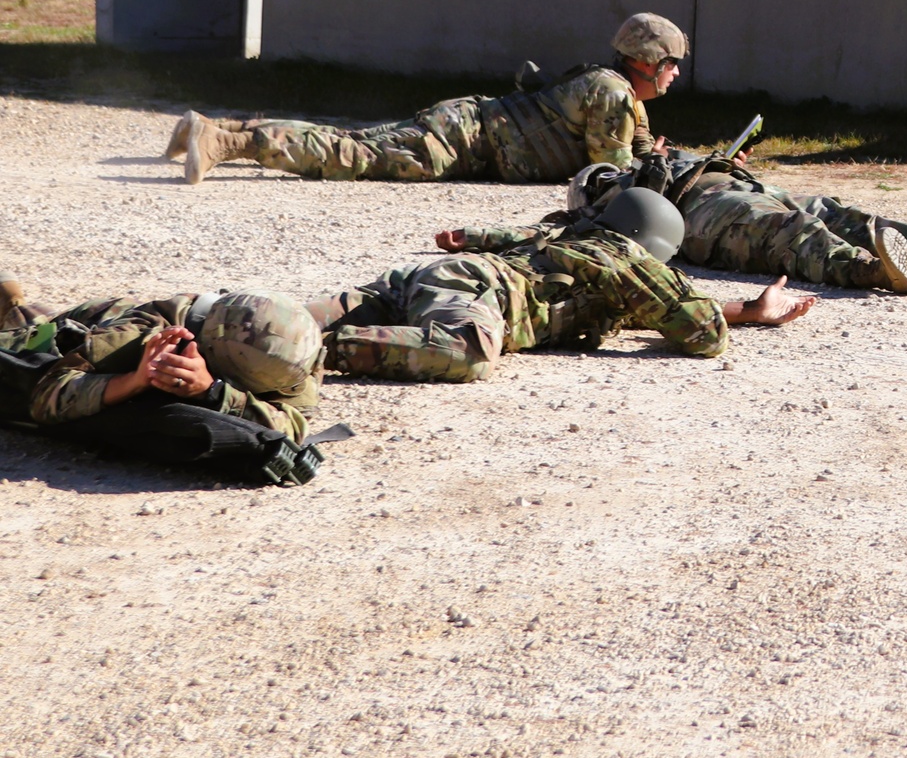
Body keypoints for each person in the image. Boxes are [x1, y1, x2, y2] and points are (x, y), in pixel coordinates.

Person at [305, 188, 817, 385]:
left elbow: (642, 310)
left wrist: (751, 308)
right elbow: (702, 334)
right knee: (470, 353)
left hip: (426, 283)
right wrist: (723, 312)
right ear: (656, 248)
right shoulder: (625, 259)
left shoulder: (578, 239)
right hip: (476, 293)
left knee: (298, 315)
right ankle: (311, 352)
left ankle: (237, 325)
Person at [163, 13, 689, 186]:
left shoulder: (612, 88)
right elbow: (610, 177)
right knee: (353, 156)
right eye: (669, 63)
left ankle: (216, 127)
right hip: (466, 141)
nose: (674, 73)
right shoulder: (614, 94)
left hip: (468, 124)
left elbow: (632, 145)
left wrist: (653, 151)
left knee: (350, 139)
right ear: (644, 62)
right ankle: (224, 144)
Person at [0, 276, 325, 484]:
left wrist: (212, 392)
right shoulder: (143, 336)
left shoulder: (289, 349)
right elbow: (46, 397)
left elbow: (292, 424)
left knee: (26, 315)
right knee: (22, 343)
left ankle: (14, 303)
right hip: (90, 329)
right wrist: (136, 379)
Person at [566, 158, 907, 296]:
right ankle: (871, 271)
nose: (610, 175)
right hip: (704, 214)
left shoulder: (652, 160)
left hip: (745, 188)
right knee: (789, 232)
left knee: (845, 217)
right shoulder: (599, 206)